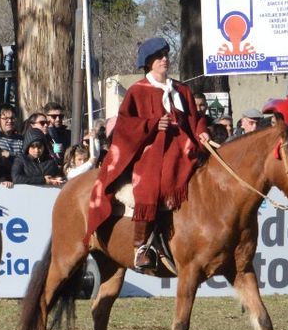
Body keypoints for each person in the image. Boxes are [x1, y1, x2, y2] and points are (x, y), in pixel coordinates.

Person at [87, 37, 208, 273]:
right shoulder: (137, 91)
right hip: (152, 154)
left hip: (185, 152)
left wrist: (202, 132)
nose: (165, 59)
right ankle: (142, 246)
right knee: (151, 186)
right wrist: (152, 125)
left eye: (166, 54)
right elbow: (124, 127)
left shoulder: (181, 89)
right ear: (148, 62)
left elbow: (197, 118)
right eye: (159, 56)